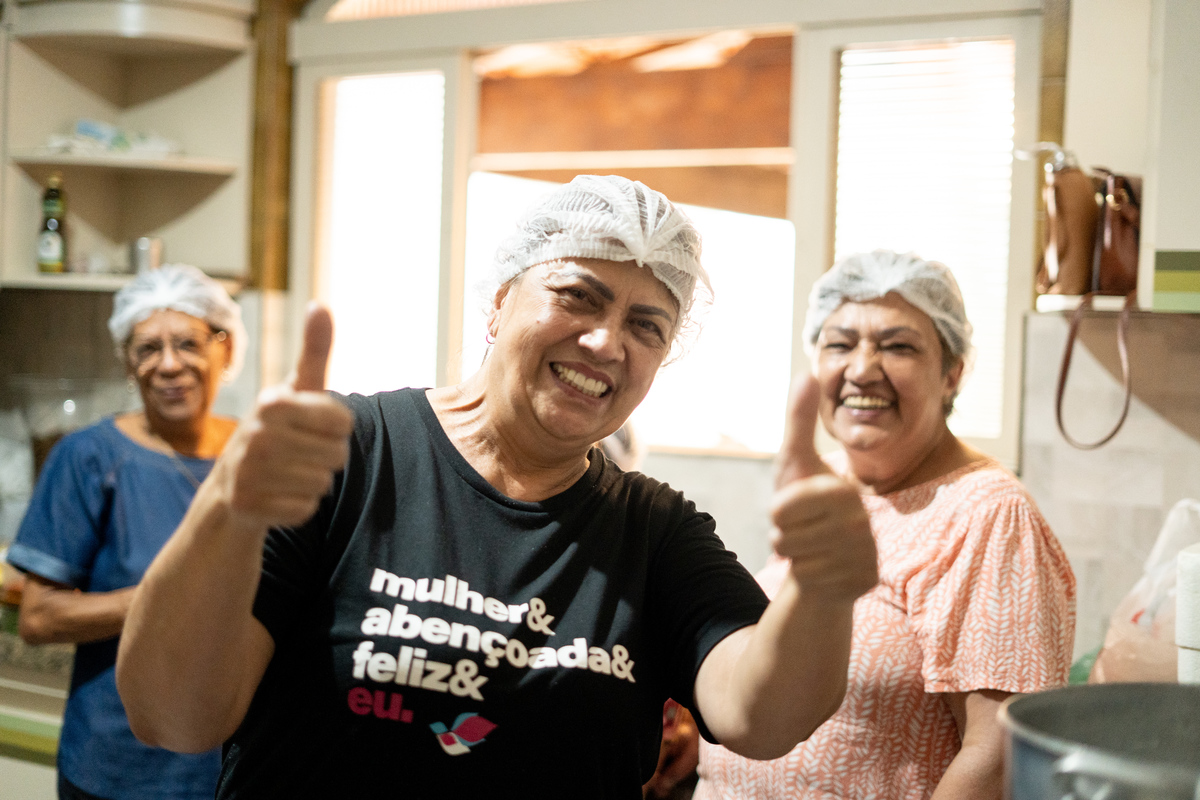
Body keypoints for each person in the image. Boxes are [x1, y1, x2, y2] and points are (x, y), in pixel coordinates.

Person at [114, 175, 879, 799]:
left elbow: (760, 716)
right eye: (578, 295)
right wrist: (228, 510)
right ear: (498, 300)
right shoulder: (344, 454)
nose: (606, 341)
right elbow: (172, 717)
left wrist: (822, 593)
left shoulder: (655, 533)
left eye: (647, 326)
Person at [694, 250, 1077, 800]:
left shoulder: (987, 511)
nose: (861, 369)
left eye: (898, 346)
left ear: (953, 373)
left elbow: (998, 757)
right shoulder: (825, 490)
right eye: (840, 343)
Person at [6, 264, 246, 800]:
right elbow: (40, 617)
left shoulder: (257, 455)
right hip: (121, 764)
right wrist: (165, 596)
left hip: (231, 760)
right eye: (147, 348)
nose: (168, 364)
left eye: (187, 342)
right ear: (128, 362)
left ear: (224, 350)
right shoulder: (90, 457)